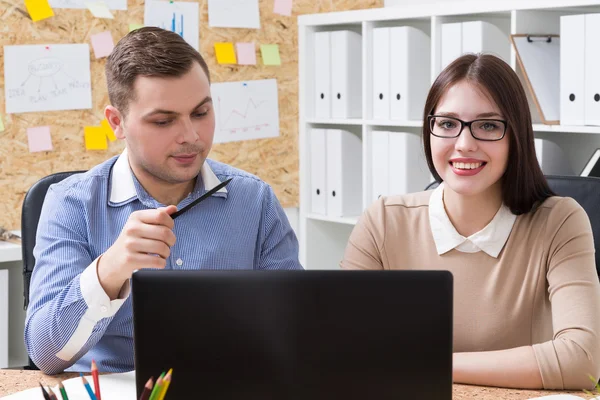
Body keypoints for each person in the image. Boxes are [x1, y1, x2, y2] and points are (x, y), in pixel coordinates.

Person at [25, 27, 302, 375]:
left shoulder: (254, 199)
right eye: (163, 121)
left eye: (200, 113)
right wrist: (110, 269)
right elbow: (46, 354)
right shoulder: (71, 203)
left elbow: (297, 328)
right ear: (117, 123)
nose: (191, 136)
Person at [341, 54, 600, 390]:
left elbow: (582, 360)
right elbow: (340, 346)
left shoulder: (560, 222)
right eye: (448, 124)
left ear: (515, 136)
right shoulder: (383, 222)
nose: (464, 144)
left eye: (488, 125)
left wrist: (428, 362)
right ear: (429, 130)